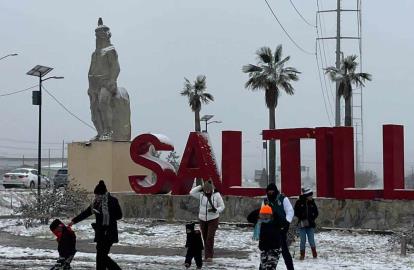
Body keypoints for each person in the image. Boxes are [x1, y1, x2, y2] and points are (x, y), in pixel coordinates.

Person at [68, 180, 123, 270]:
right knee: (100, 256)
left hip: (109, 233)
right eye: (95, 195)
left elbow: (119, 215)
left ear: (102, 194)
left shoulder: (113, 201)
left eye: (97, 195)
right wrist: (74, 221)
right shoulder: (96, 203)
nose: (96, 197)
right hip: (100, 233)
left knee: (102, 256)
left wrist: (108, 217)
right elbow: (86, 213)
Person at [190, 179, 225, 262]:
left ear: (211, 189)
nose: (207, 191)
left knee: (210, 237)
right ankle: (207, 256)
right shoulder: (201, 194)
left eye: (208, 190)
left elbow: (222, 206)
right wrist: (201, 187)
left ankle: (209, 256)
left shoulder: (217, 195)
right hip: (202, 219)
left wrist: (216, 210)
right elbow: (191, 192)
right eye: (205, 190)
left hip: (213, 219)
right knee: (205, 238)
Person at [263, 183, 294, 270]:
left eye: (272, 191)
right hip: (269, 230)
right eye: (268, 191)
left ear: (275, 191)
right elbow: (263, 214)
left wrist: (287, 223)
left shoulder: (283, 199)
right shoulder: (266, 201)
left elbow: (290, 211)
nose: (270, 193)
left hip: (281, 229)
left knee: (284, 252)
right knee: (267, 252)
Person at [253, 204, 281, 270]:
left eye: (266, 214)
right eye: (263, 214)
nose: (264, 216)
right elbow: (250, 217)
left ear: (270, 215)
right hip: (264, 249)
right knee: (263, 268)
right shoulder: (260, 223)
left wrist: (272, 210)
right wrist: (261, 208)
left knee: (270, 268)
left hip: (274, 250)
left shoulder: (275, 223)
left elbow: (282, 221)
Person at [294, 187, 319, 260]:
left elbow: (316, 212)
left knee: (311, 240)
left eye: (312, 195)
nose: (311, 197)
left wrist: (312, 218)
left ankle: (314, 254)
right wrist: (301, 216)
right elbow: (296, 212)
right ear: (306, 196)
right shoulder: (299, 202)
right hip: (302, 225)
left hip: (310, 225)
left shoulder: (312, 202)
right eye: (310, 195)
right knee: (303, 240)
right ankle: (302, 255)